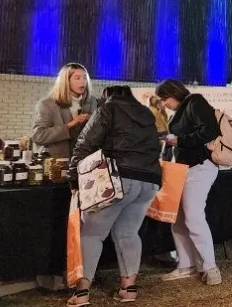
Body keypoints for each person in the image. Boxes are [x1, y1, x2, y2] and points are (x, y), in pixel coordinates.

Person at [67, 86, 162, 305]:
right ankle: (129, 290)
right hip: (148, 181)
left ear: (106, 96)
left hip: (118, 178)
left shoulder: (108, 109)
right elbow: (156, 148)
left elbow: (84, 143)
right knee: (128, 233)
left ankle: (81, 293)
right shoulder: (147, 114)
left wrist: (73, 179)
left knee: (92, 234)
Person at [155, 79, 223, 286]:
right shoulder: (182, 110)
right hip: (182, 169)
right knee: (178, 218)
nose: (163, 104)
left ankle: (210, 267)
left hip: (199, 166)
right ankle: (186, 265)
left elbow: (210, 130)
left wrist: (179, 140)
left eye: (164, 98)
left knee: (193, 216)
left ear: (174, 93)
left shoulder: (195, 102)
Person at [31, 63, 99, 159]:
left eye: (85, 78)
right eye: (77, 78)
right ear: (66, 81)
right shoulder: (47, 104)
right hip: (56, 162)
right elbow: (38, 136)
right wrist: (69, 125)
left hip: (83, 161)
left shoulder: (93, 102)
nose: (83, 82)